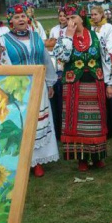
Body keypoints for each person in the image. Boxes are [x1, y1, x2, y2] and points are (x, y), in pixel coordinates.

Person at [0, 4, 59, 177]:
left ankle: (38, 161)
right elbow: (2, 65)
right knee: (22, 123)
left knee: (39, 121)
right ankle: (24, 161)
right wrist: (10, 88)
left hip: (39, 86)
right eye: (16, 17)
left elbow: (45, 60)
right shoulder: (3, 40)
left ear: (28, 19)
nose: (21, 20)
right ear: (11, 21)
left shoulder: (36, 37)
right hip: (19, 89)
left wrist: (49, 83)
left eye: (23, 16)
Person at [53, 5, 112, 171]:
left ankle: (97, 157)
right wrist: (68, 36)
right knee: (77, 123)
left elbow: (106, 60)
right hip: (74, 86)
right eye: (67, 18)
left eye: (72, 17)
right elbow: (62, 57)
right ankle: (81, 159)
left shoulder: (96, 36)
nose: (69, 20)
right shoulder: (63, 38)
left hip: (95, 84)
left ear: (81, 18)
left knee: (96, 121)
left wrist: (109, 83)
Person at [89, 5, 112, 134]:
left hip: (105, 60)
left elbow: (110, 46)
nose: (93, 17)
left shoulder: (108, 27)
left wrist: (104, 51)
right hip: (94, 63)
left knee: (109, 96)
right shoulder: (90, 28)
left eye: (95, 14)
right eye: (92, 15)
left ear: (101, 15)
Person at [46, 8, 68, 140]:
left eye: (65, 16)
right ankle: (57, 130)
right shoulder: (54, 29)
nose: (62, 18)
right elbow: (50, 45)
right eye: (60, 16)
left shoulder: (71, 30)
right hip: (55, 63)